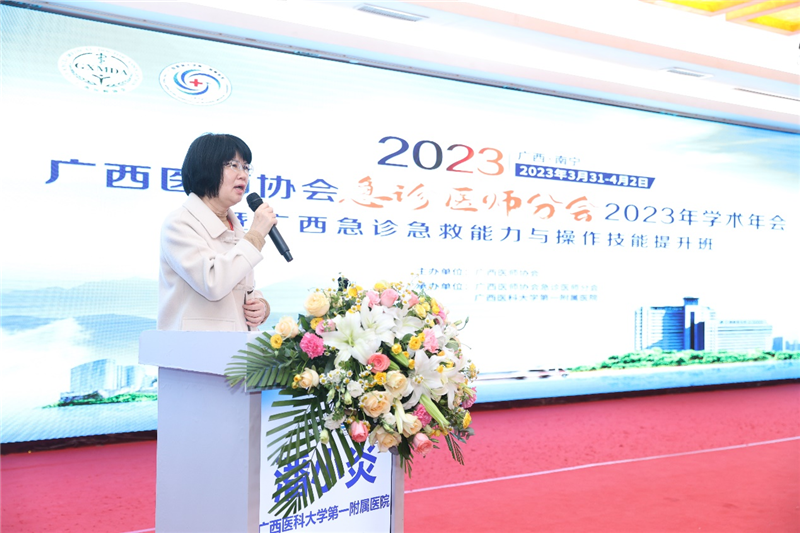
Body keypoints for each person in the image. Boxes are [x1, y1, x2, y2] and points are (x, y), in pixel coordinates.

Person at [157, 133, 277, 331]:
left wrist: (260, 305)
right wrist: (255, 235)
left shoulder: (234, 226)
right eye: (233, 165)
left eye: (246, 167)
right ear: (206, 166)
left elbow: (237, 285)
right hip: (194, 346)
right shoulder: (179, 223)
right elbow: (213, 282)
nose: (243, 175)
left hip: (237, 345)